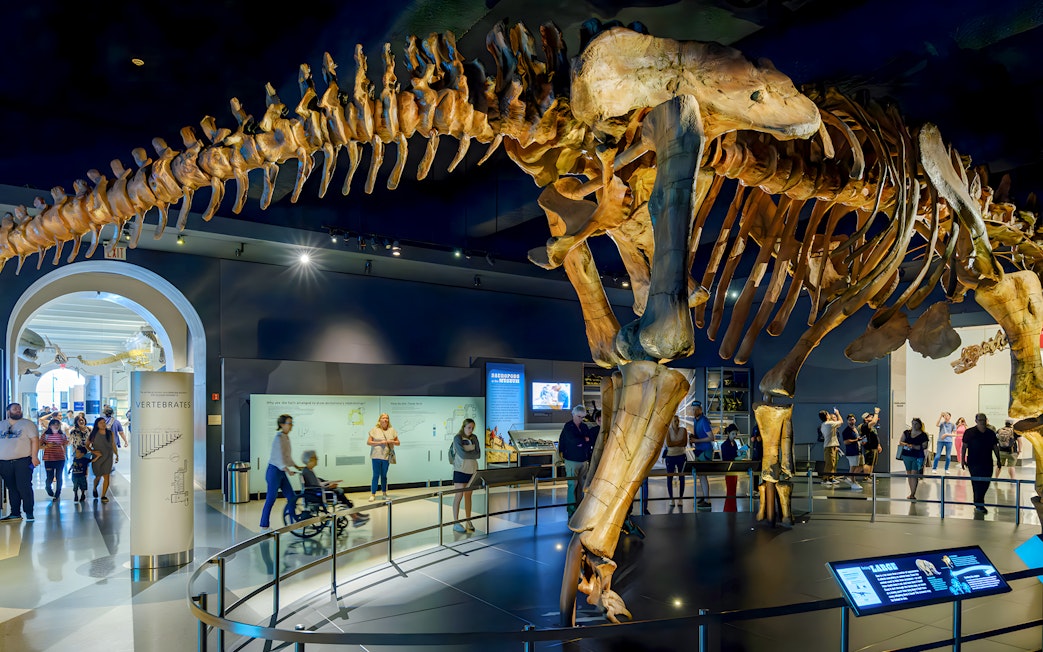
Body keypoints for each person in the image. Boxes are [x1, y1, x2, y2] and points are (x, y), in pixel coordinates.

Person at [299, 450, 369, 526]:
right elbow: (316, 487)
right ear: (311, 459)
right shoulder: (308, 472)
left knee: (340, 493)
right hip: (319, 494)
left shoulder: (308, 470)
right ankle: (355, 517)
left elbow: (317, 483)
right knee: (340, 494)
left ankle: (355, 514)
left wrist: (330, 482)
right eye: (316, 458)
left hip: (318, 492)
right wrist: (329, 487)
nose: (317, 460)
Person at [0, 402, 41, 522]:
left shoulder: (27, 424)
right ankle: (15, 513)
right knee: (11, 488)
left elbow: (34, 440)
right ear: (8, 411)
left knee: (24, 486)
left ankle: (29, 512)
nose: (18, 410)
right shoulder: (2, 424)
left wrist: (34, 457)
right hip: (4, 462)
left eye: (19, 409)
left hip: (23, 461)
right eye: (15, 409)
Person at [259, 414, 299, 529]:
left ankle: (293, 521)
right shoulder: (278, 439)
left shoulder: (286, 437)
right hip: (274, 472)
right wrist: (288, 470)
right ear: (282, 425)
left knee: (291, 496)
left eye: (292, 423)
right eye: (289, 423)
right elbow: (278, 458)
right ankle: (264, 525)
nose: (291, 426)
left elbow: (287, 457)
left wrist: (296, 466)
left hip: (281, 471)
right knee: (271, 498)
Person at [558, 405, 594, 517]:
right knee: (572, 485)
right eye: (579, 416)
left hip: (583, 460)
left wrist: (582, 441)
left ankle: (580, 507)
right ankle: (571, 509)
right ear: (573, 414)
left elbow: (589, 440)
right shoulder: (568, 426)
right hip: (572, 460)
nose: (581, 419)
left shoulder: (584, 427)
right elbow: (573, 440)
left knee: (582, 485)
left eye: (583, 417)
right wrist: (584, 440)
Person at [962, 413, 1000, 513]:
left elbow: (995, 447)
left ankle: (979, 501)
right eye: (980, 420)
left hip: (987, 461)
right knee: (976, 483)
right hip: (973, 462)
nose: (982, 422)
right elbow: (964, 446)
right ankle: (979, 503)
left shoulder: (990, 433)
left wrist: (999, 459)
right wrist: (962, 460)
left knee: (986, 482)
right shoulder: (969, 432)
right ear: (976, 421)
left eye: (984, 420)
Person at [450, 418, 482, 532]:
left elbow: (479, 454)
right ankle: (455, 522)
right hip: (460, 470)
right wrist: (471, 454)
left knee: (468, 496)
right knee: (458, 496)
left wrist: (471, 454)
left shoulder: (474, 438)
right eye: (469, 427)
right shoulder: (457, 438)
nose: (470, 430)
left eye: (472, 428)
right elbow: (462, 454)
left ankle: (468, 520)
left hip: (472, 470)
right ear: (464, 427)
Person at [367, 413, 400, 502]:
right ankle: (373, 494)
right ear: (380, 420)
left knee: (384, 476)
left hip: (386, 456)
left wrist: (391, 441)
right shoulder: (374, 430)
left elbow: (398, 443)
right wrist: (379, 442)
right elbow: (369, 442)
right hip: (376, 455)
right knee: (375, 475)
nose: (385, 419)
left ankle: (384, 494)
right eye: (383, 418)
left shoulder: (392, 430)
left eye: (387, 418)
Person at [689, 401, 714, 511]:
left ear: (700, 410)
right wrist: (693, 438)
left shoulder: (703, 420)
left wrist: (696, 440)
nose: (694, 411)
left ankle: (707, 499)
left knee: (703, 475)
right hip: (699, 450)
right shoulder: (696, 420)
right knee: (700, 476)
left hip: (705, 451)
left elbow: (711, 437)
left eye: (696, 409)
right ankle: (705, 497)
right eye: (693, 409)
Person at [87, 417, 118, 503]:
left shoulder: (110, 433)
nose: (103, 424)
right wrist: (93, 451)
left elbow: (113, 444)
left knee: (107, 476)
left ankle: (103, 495)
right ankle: (94, 488)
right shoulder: (93, 434)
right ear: (97, 424)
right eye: (101, 423)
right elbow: (87, 445)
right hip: (98, 457)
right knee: (98, 476)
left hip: (108, 456)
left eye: (104, 422)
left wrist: (116, 454)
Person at [898, 417, 929, 500]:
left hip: (917, 456)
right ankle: (911, 492)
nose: (914, 425)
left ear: (920, 425)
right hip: (906, 455)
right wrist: (906, 445)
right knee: (909, 473)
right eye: (913, 423)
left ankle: (912, 493)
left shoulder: (923, 435)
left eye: (916, 424)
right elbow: (901, 442)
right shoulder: (907, 433)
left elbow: (924, 446)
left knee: (914, 473)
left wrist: (914, 446)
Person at [40, 418, 69, 501]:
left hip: (60, 458)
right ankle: (48, 488)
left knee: (59, 476)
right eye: (54, 424)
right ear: (50, 426)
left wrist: (65, 452)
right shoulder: (45, 435)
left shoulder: (62, 435)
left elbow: (65, 444)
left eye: (57, 424)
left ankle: (57, 493)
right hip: (49, 458)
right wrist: (47, 446)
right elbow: (39, 445)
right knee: (50, 477)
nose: (56, 426)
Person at [663, 415, 688, 507]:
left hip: (681, 456)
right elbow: (669, 443)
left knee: (682, 477)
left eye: (678, 421)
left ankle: (680, 498)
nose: (677, 423)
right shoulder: (668, 431)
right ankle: (671, 498)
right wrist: (679, 443)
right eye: (675, 421)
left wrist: (675, 443)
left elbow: (685, 443)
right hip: (670, 456)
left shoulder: (683, 430)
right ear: (671, 422)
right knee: (670, 477)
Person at [819, 408, 842, 486]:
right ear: (826, 416)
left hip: (832, 446)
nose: (830, 415)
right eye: (828, 414)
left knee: (833, 463)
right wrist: (838, 413)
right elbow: (841, 422)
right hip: (829, 447)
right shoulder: (828, 424)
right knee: (829, 464)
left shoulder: (825, 424)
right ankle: (825, 479)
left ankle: (831, 478)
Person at [840, 413, 863, 490]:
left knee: (857, 466)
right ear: (847, 421)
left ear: (855, 420)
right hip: (851, 452)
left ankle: (852, 480)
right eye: (850, 420)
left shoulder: (855, 429)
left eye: (852, 419)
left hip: (857, 451)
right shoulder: (846, 431)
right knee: (852, 467)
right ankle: (852, 481)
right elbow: (846, 442)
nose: (851, 421)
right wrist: (856, 440)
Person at [860, 409, 882, 475]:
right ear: (865, 419)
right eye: (869, 416)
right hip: (869, 448)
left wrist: (878, 445)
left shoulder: (872, 428)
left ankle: (870, 476)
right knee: (868, 463)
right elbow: (874, 421)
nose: (872, 417)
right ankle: (866, 477)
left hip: (874, 447)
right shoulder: (865, 426)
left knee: (872, 463)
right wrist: (876, 413)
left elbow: (876, 437)